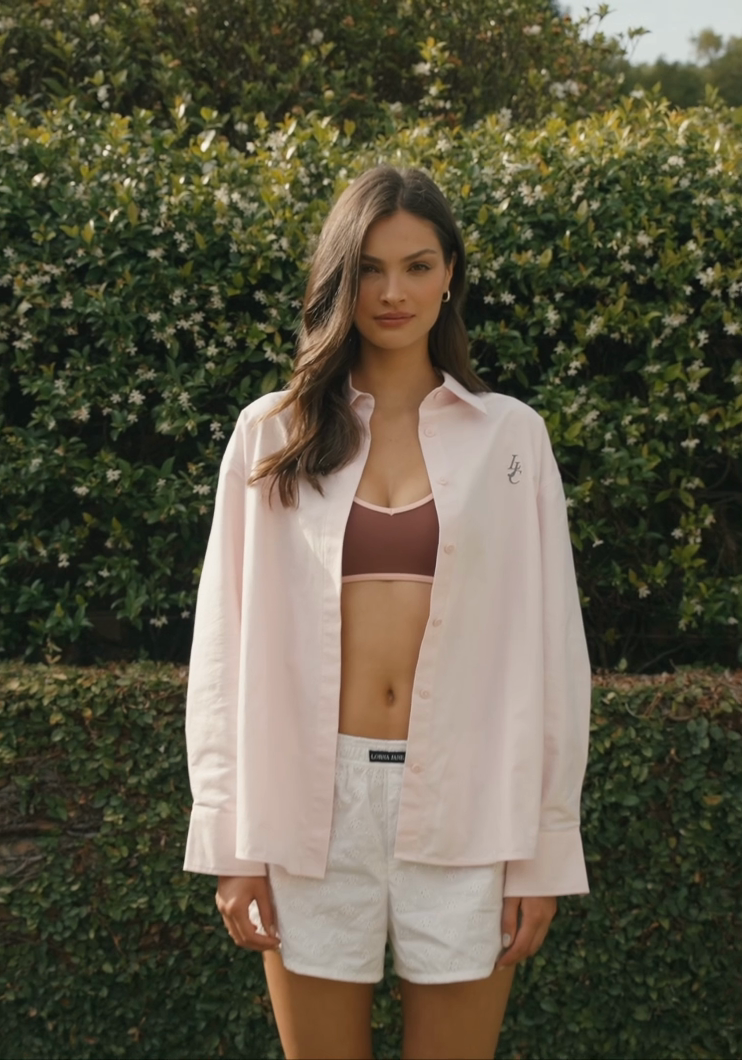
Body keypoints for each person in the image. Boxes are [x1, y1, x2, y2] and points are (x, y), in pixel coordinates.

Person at [183, 164, 592, 1060]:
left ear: (451, 274)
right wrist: (230, 841)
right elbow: (222, 647)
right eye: (369, 268)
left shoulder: (512, 438)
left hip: (474, 801)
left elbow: (554, 649)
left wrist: (544, 848)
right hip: (306, 805)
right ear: (340, 277)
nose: (393, 291)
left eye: (416, 265)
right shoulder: (272, 435)